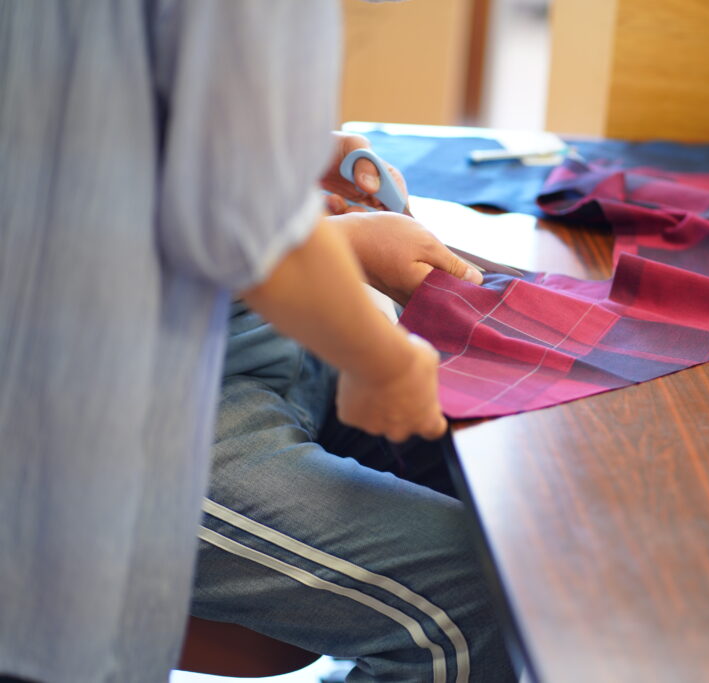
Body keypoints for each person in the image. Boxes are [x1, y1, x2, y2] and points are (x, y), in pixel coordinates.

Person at [0, 3, 442, 681]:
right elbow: (235, 224)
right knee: (468, 605)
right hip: (103, 400)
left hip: (208, 345)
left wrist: (283, 155)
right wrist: (380, 356)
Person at [188, 133, 517, 682]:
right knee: (470, 601)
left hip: (248, 342)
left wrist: (262, 167)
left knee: (504, 483)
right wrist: (321, 247)